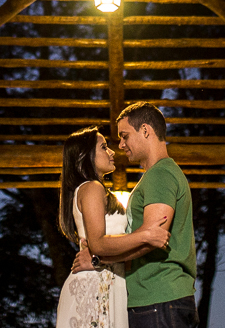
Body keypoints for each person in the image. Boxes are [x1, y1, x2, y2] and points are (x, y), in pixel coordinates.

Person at [74, 103, 198, 328]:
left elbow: (152, 239)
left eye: (125, 136)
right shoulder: (157, 175)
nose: (121, 145)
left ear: (146, 130)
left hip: (159, 300)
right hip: (159, 301)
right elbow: (147, 237)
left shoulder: (160, 175)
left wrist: (98, 259)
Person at [56, 126, 171, 328]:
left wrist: (96, 259)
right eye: (103, 147)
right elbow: (98, 243)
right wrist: (146, 235)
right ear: (85, 155)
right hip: (94, 287)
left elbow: (100, 249)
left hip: (106, 279)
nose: (111, 152)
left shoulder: (95, 190)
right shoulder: (92, 188)